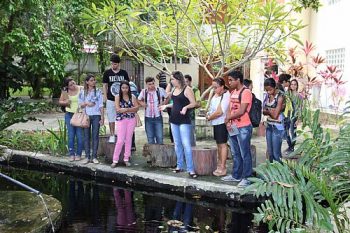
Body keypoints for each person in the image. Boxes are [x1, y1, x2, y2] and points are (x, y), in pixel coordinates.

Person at [160, 71, 198, 178]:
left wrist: (186, 107)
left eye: (172, 79)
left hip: (184, 120)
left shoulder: (187, 89)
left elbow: (194, 103)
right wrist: (166, 105)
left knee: (186, 144)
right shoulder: (174, 89)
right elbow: (176, 104)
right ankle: (179, 165)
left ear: (178, 79)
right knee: (177, 144)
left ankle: (191, 169)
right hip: (174, 119)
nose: (171, 81)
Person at [222, 71, 253, 187]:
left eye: (231, 80)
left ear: (238, 80)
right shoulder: (233, 92)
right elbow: (230, 108)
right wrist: (228, 120)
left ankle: (247, 177)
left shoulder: (246, 92)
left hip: (243, 126)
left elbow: (242, 110)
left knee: (245, 152)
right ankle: (236, 175)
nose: (229, 83)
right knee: (235, 152)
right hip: (233, 126)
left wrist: (228, 117)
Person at [111, 81, 139, 167]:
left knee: (128, 139)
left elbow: (137, 108)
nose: (125, 90)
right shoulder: (117, 97)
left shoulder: (132, 96)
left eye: (126, 88)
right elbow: (118, 109)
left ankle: (126, 158)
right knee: (120, 140)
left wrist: (126, 110)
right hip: (121, 120)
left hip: (131, 119)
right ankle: (115, 160)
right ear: (120, 88)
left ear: (129, 88)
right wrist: (130, 109)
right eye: (123, 88)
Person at [103, 54, 129, 143]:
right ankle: (112, 135)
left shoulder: (124, 73)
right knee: (111, 117)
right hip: (110, 99)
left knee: (123, 117)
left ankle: (121, 135)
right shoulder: (107, 73)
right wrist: (105, 98)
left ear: (118, 64)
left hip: (122, 99)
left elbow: (127, 86)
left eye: (115, 64)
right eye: (112, 64)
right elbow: (105, 85)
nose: (113, 65)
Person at [206, 78, 230, 176]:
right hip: (215, 123)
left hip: (222, 123)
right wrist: (208, 114)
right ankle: (220, 164)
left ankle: (223, 167)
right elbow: (212, 108)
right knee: (219, 145)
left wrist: (209, 117)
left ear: (222, 87)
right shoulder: (216, 95)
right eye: (213, 87)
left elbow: (220, 112)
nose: (214, 89)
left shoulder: (226, 95)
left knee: (223, 145)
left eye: (216, 87)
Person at [79, 74, 104, 164]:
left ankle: (94, 157)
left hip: (96, 115)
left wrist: (103, 117)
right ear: (87, 82)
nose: (94, 82)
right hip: (87, 116)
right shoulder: (83, 92)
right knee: (86, 136)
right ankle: (87, 156)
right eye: (91, 80)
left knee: (95, 136)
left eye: (94, 80)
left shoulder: (98, 91)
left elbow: (101, 105)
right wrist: (87, 103)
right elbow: (80, 105)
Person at [59, 77, 83, 162]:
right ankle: (71, 154)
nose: (73, 85)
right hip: (69, 114)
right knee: (71, 135)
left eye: (73, 83)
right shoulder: (66, 92)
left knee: (79, 135)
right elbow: (60, 101)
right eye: (71, 85)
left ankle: (79, 154)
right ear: (67, 87)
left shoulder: (81, 89)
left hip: (79, 115)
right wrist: (66, 102)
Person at [138, 77, 167, 144]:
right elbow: (138, 99)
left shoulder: (160, 90)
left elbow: (167, 97)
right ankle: (152, 154)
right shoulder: (143, 91)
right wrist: (142, 104)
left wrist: (163, 103)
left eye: (153, 83)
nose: (151, 86)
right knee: (150, 138)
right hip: (148, 117)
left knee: (159, 137)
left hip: (158, 117)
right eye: (149, 84)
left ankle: (159, 154)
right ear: (146, 84)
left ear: (155, 82)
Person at [263, 78, 286, 162]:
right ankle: (272, 172)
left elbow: (275, 115)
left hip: (278, 126)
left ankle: (280, 173)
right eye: (266, 90)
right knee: (270, 152)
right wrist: (270, 111)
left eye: (270, 89)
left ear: (275, 87)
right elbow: (263, 110)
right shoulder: (267, 95)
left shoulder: (280, 96)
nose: (268, 92)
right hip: (269, 125)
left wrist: (268, 111)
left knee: (276, 154)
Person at [284, 79, 303, 154]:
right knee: (286, 132)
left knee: (292, 132)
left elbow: (300, 108)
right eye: (292, 84)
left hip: (294, 116)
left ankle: (291, 148)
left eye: (295, 84)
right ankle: (290, 146)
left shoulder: (299, 96)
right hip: (287, 115)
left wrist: (298, 119)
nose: (293, 86)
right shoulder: (287, 94)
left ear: (297, 86)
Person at [184, 74, 201, 147]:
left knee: (191, 136)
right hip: (181, 116)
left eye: (186, 82)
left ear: (190, 82)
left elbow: (198, 103)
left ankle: (193, 151)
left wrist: (190, 106)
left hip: (190, 116)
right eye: (184, 82)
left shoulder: (195, 90)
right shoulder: (181, 90)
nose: (185, 84)